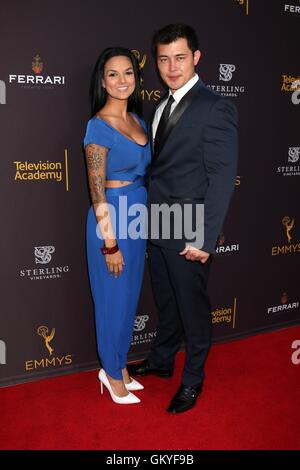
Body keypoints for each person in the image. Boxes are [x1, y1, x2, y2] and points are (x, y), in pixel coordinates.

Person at [128, 24, 238, 413]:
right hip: (159, 220)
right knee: (166, 300)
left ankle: (193, 380)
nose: (171, 67)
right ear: (155, 62)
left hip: (189, 225)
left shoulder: (215, 107)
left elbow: (223, 179)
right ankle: (161, 361)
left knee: (192, 306)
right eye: (163, 59)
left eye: (179, 57)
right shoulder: (160, 106)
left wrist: (205, 239)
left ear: (196, 57)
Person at [84, 47, 151, 404]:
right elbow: (96, 192)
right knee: (112, 298)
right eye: (113, 74)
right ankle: (110, 372)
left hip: (139, 213)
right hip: (111, 217)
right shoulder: (97, 126)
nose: (122, 80)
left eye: (128, 73)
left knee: (129, 296)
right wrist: (110, 243)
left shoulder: (140, 121)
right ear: (102, 80)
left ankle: (121, 364)